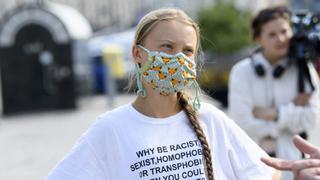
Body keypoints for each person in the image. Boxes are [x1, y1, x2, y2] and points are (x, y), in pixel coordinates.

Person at [46, 8, 279, 180]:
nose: (178, 58)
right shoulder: (111, 129)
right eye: (167, 47)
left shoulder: (210, 119)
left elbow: (267, 174)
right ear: (138, 53)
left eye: (187, 51)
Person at [228, 6, 320, 180]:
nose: (281, 39)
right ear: (257, 38)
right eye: (272, 34)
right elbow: (242, 124)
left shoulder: (304, 70)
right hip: (253, 166)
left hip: (294, 165)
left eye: (285, 31)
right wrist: (292, 110)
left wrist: (273, 114)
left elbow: (312, 119)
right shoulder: (241, 72)